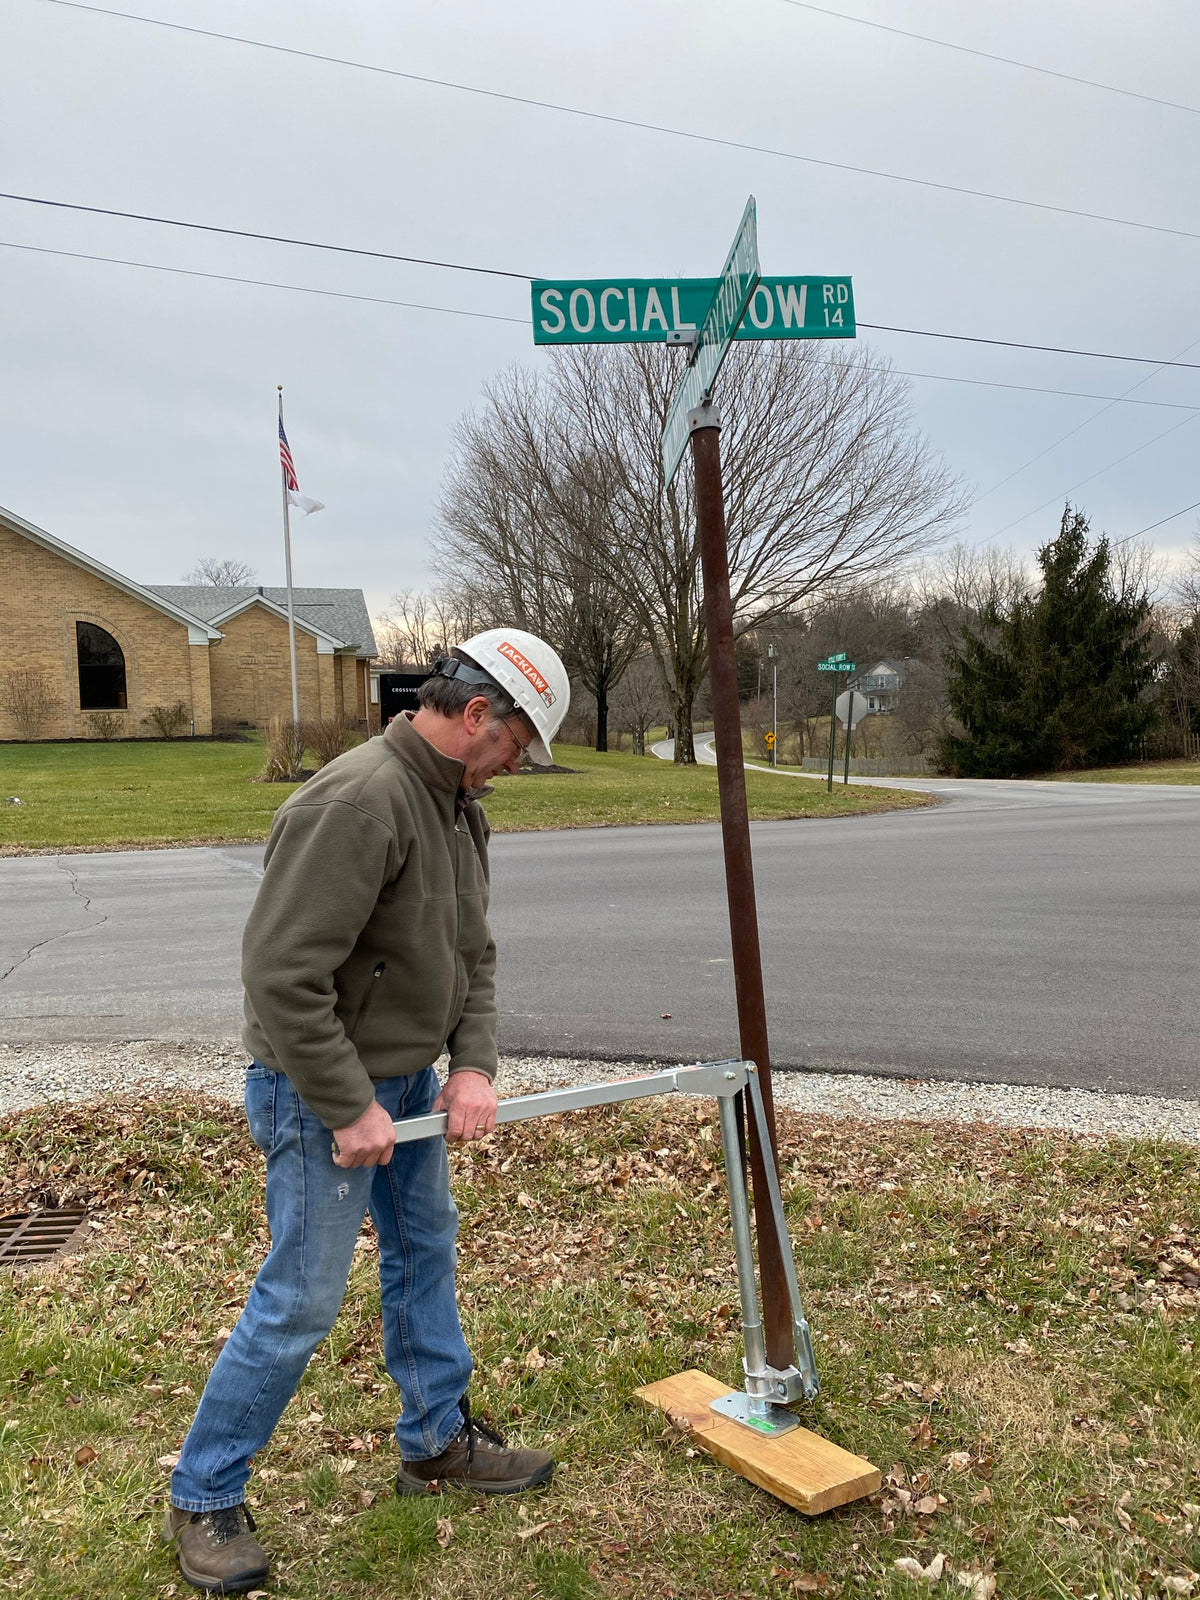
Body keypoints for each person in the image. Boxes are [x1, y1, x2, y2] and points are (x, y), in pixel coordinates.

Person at [163, 629, 570, 1595]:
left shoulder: (457, 805)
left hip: (410, 1084)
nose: (515, 767)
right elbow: (280, 975)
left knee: (425, 1248)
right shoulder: (360, 801)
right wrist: (348, 1105)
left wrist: (470, 1067)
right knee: (303, 1295)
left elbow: (472, 955)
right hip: (319, 1090)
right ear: (478, 715)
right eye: (517, 745)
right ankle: (204, 1491)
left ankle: (436, 1438)